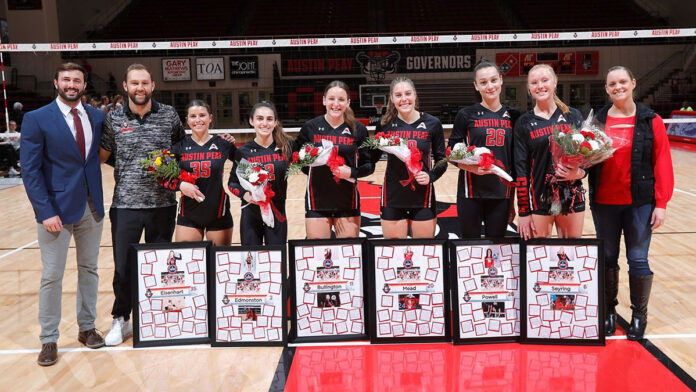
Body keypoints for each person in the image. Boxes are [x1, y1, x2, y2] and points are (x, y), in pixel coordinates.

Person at [20, 62, 105, 366]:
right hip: (55, 211)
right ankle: (49, 339)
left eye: (77, 80)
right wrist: (44, 211)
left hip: (91, 208)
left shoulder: (96, 117)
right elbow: (30, 171)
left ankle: (87, 328)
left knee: (90, 270)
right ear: (56, 82)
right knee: (52, 276)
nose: (72, 84)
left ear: (84, 85)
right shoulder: (36, 119)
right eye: (66, 79)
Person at [100, 63, 186, 346]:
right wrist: (129, 168)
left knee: (161, 265)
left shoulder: (169, 115)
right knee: (124, 267)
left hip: (163, 204)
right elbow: (105, 154)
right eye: (134, 83)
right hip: (125, 205)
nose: (140, 88)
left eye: (145, 83)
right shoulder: (113, 119)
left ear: (153, 86)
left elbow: (180, 149)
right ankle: (121, 319)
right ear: (125, 86)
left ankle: (155, 317)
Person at [589, 65, 673, 340]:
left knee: (637, 259)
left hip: (640, 202)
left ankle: (639, 315)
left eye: (622, 81)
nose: (618, 87)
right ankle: (608, 313)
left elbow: (662, 162)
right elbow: (586, 159)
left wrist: (661, 203)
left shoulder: (651, 120)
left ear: (633, 83)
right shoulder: (597, 120)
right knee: (608, 259)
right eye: (612, 84)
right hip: (604, 202)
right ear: (606, 89)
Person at [294, 81, 374, 239]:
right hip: (317, 201)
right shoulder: (311, 127)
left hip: (347, 202)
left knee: (348, 256)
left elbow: (369, 165)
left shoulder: (358, 130)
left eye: (341, 99)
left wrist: (351, 171)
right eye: (331, 99)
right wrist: (311, 168)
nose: (336, 104)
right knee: (319, 256)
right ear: (324, 100)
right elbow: (297, 158)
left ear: (348, 103)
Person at [514, 64, 586, 240]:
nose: (540, 86)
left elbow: (587, 156)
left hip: (571, 196)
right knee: (538, 257)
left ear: (555, 83)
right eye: (534, 82)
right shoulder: (524, 122)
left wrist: (579, 173)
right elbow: (520, 169)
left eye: (545, 80)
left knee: (572, 256)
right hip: (539, 199)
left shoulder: (573, 116)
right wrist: (523, 211)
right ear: (529, 89)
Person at [450, 61, 519, 238]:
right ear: (476, 86)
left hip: (501, 194)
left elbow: (515, 163)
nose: (490, 86)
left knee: (495, 247)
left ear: (501, 81)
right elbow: (450, 153)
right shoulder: (465, 114)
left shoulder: (515, 116)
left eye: (493, 80)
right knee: (470, 246)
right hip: (470, 193)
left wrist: (512, 202)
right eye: (483, 82)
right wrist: (472, 168)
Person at [376, 77, 446, 238]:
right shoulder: (385, 124)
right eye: (398, 95)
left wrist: (431, 176)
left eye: (408, 93)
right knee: (394, 252)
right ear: (392, 99)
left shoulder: (432, 123)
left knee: (424, 251)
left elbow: (442, 159)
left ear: (415, 95)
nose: (404, 99)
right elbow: (370, 159)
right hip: (392, 197)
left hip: (423, 197)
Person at [160, 99, 236, 246]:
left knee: (218, 265)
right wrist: (180, 185)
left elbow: (245, 167)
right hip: (189, 215)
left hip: (218, 213)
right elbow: (161, 176)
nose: (198, 120)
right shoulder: (178, 147)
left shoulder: (223, 144)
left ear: (210, 118)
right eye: (193, 116)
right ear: (187, 120)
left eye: (202, 115)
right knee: (189, 266)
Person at [228, 101, 291, 245]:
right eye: (260, 118)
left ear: (275, 122)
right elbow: (232, 183)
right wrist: (245, 195)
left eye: (269, 119)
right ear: (252, 121)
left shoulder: (286, 148)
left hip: (277, 214)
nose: (265, 123)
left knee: (276, 262)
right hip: (251, 214)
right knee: (251, 262)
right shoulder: (244, 151)